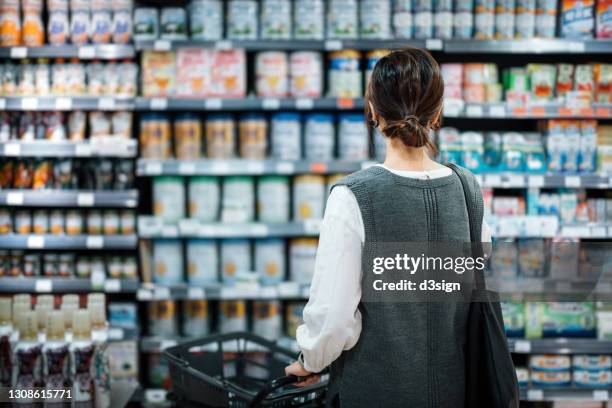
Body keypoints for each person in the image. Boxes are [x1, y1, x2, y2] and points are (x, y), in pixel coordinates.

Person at [285, 47, 492, 407]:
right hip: (455, 392)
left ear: (373, 112)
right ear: (438, 112)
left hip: (374, 392)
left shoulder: (353, 197)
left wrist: (310, 361)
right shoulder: (468, 189)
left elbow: (333, 319)